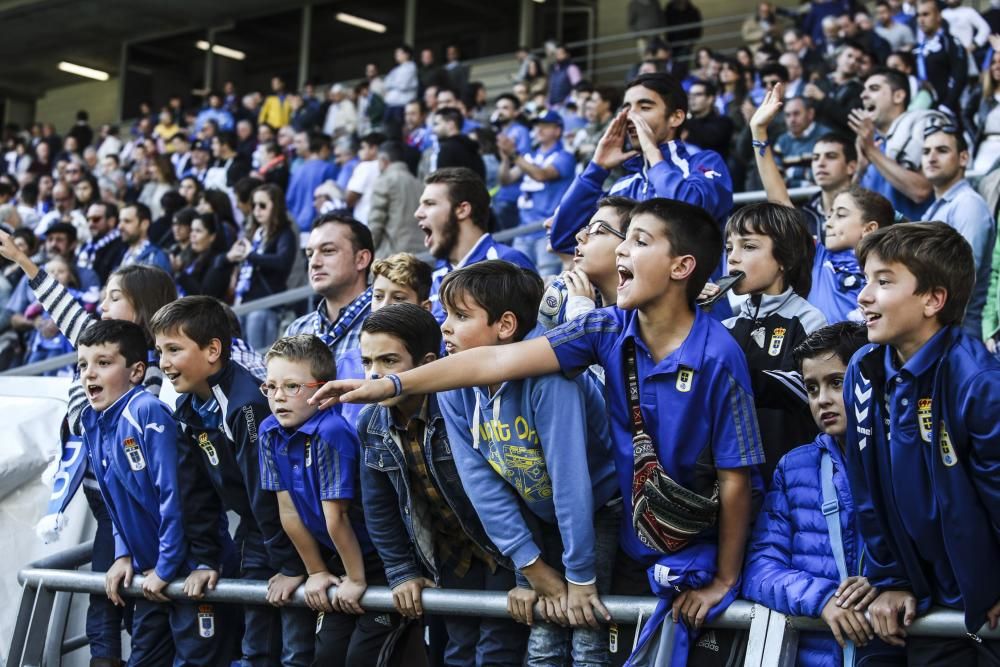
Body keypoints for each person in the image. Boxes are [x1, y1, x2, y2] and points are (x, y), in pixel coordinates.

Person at [312, 198, 766, 666]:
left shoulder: (719, 357)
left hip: (693, 545)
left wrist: (724, 580)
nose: (621, 252)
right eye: (623, 239)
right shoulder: (606, 327)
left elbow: (736, 480)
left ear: (682, 266)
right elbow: (495, 360)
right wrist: (389, 384)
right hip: (634, 537)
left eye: (639, 241)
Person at [435, 261, 620, 664]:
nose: (445, 327)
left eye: (461, 316)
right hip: (537, 520)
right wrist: (531, 566)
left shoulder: (550, 377)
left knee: (585, 634)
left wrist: (579, 575)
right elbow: (480, 483)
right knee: (543, 646)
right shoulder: (452, 384)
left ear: (504, 325)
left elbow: (571, 480)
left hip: (599, 512)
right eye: (446, 315)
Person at [844, 222, 1000, 663]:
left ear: (933, 299)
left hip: (980, 604)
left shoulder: (978, 381)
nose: (864, 296)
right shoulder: (864, 367)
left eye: (884, 281)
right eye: (865, 280)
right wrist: (892, 578)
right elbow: (866, 488)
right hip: (915, 600)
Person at [356, 304, 527, 665]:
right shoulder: (370, 422)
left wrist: (527, 573)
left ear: (427, 362)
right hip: (451, 558)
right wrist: (401, 572)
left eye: (388, 361)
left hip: (504, 551)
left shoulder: (460, 405)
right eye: (367, 362)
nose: (374, 375)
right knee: (457, 653)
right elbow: (379, 509)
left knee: (497, 652)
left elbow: (510, 489)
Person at [151, 296, 314, 666]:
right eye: (159, 350)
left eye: (174, 349)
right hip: (258, 533)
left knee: (293, 650)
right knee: (254, 645)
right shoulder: (189, 407)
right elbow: (197, 494)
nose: (163, 363)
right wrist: (206, 559)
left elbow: (267, 492)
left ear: (212, 350)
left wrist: (291, 565)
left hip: (294, 535)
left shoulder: (246, 405)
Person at [79, 320, 239, 665]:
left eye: (103, 363)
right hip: (152, 572)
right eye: (83, 364)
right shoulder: (92, 419)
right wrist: (123, 554)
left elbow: (175, 496)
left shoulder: (146, 411)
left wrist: (166, 567)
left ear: (137, 371)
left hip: (187, 569)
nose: (89, 374)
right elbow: (114, 501)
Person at [742, 322, 895, 667]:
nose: (822, 399)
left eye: (836, 383)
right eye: (811, 388)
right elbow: (759, 569)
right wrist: (822, 599)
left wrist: (892, 583)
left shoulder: (907, 458)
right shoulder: (794, 468)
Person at [258, 334, 403, 663]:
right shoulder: (268, 431)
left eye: (292, 386)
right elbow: (289, 513)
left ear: (323, 390)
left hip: (379, 561)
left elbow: (336, 517)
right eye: (270, 387)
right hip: (339, 560)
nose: (278, 397)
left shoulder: (331, 432)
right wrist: (316, 572)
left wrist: (355, 579)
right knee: (328, 655)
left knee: (362, 658)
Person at [548, 73, 732, 261]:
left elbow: (691, 216)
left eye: (644, 107)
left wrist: (652, 152)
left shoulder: (705, 163)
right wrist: (596, 169)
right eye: (626, 108)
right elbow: (565, 240)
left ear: (675, 118)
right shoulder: (623, 186)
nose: (630, 116)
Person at [722, 203, 826, 484]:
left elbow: (806, 388)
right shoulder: (725, 328)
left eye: (748, 247)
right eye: (729, 248)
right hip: (734, 477)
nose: (733, 258)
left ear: (785, 259)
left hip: (792, 475)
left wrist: (736, 377)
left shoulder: (808, 319)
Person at [284, 214, 374, 427]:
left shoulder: (387, 320)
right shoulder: (297, 329)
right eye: (309, 253)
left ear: (361, 259)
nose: (314, 262)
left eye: (328, 251)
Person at [415, 168, 535, 323]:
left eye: (429, 203)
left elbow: (528, 338)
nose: (418, 213)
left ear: (462, 210)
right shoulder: (437, 276)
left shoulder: (508, 263)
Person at [920, 124, 996, 340]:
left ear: (964, 158)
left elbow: (964, 278)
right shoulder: (938, 207)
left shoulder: (968, 205)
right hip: (942, 330)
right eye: (926, 152)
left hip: (960, 334)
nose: (931, 157)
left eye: (942, 150)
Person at [851, 67, 944, 221]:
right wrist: (860, 170)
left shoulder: (923, 128)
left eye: (874, 89)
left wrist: (872, 152)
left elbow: (920, 190)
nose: (863, 95)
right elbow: (856, 205)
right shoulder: (869, 141)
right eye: (863, 90)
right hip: (878, 242)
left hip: (915, 241)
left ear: (898, 96)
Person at [537, 196, 633, 332]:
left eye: (598, 230)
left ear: (629, 247)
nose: (580, 236)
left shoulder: (640, 317)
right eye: (586, 228)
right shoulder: (576, 300)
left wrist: (581, 315)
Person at [498, 111, 575, 277]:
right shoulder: (529, 157)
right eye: (537, 126)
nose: (539, 130)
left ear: (558, 130)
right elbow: (506, 179)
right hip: (523, 229)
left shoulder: (565, 156)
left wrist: (514, 155)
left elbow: (542, 175)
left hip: (547, 231)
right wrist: (505, 158)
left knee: (546, 280)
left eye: (545, 126)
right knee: (517, 279)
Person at [230, 183, 298, 350]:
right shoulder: (255, 233)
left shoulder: (285, 233)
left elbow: (282, 262)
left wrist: (250, 255)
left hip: (267, 305)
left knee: (258, 355)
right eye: (254, 205)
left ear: (276, 206)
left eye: (262, 205)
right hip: (246, 300)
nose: (257, 210)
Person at [367, 141, 424, 259]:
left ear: (383, 160)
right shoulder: (419, 183)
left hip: (393, 255)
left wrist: (369, 250)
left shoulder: (385, 180)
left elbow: (376, 222)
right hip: (422, 253)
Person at [912, 0, 967, 115]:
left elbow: (959, 76)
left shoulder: (951, 43)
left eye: (926, 14)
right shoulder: (916, 48)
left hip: (946, 111)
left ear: (938, 16)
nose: (921, 20)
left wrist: (947, 105)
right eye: (918, 15)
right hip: (921, 109)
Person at [491, 94, 533, 232]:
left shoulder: (520, 131)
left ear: (516, 112)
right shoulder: (499, 132)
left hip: (516, 193)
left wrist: (508, 176)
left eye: (505, 108)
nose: (500, 111)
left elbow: (525, 161)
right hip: (503, 193)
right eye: (498, 108)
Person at [803, 42, 865, 134]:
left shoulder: (860, 90)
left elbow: (850, 119)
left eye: (858, 60)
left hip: (840, 139)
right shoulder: (820, 82)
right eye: (849, 56)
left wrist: (823, 99)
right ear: (838, 57)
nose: (853, 61)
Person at [286, 132, 337, 235]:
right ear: (324, 148)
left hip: (295, 228)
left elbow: (289, 200)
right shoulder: (328, 168)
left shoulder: (297, 170)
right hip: (317, 227)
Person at [773, 97, 830, 188]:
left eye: (796, 114)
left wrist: (795, 172)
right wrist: (802, 184)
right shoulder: (782, 141)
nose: (792, 120)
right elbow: (775, 179)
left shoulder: (827, 136)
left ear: (810, 114)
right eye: (788, 115)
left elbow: (830, 173)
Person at [175, 211, 230, 299]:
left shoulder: (217, 261)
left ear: (212, 237)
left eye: (198, 231)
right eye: (192, 230)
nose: (192, 235)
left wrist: (180, 273)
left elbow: (205, 297)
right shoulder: (192, 257)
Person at [77, 202, 126, 285]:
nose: (90, 224)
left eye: (96, 219)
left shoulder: (122, 245)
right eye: (88, 219)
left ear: (111, 221)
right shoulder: (87, 245)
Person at [683, 81, 735, 159]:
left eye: (697, 94)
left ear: (710, 99)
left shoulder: (723, 122)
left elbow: (711, 139)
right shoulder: (686, 122)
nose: (692, 98)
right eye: (690, 95)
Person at [431, 108, 485, 180]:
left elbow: (443, 181)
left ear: (450, 124)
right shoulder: (472, 147)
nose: (433, 129)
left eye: (436, 124)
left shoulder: (446, 149)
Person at [118, 203, 172, 274]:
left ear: (144, 224)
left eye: (127, 221)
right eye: (120, 221)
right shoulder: (125, 253)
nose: (120, 226)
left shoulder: (156, 257)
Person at [344, 132, 385, 226]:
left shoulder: (365, 167)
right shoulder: (387, 166)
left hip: (363, 220)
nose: (360, 152)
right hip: (380, 221)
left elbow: (349, 198)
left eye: (363, 148)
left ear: (374, 149)